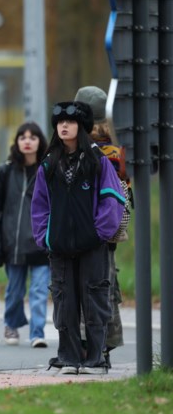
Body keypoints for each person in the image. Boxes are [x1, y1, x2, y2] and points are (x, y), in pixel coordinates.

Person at [31, 101, 125, 375]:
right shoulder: (48, 165)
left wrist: (100, 233)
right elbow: (39, 206)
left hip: (93, 246)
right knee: (64, 303)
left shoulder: (98, 161)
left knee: (95, 301)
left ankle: (95, 359)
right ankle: (70, 358)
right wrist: (45, 238)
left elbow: (113, 198)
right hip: (59, 248)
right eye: (59, 122)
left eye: (69, 122)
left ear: (80, 127)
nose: (63, 126)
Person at [0, 122, 50, 348]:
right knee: (15, 291)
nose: (27, 141)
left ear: (40, 142)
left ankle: (37, 333)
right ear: (17, 142)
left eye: (33, 137)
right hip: (14, 246)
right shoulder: (5, 172)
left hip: (41, 245)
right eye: (22, 137)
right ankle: (11, 323)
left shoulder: (47, 171)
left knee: (39, 291)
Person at [74, 86, 129, 367]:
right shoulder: (120, 147)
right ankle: (104, 346)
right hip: (110, 231)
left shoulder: (83, 149)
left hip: (84, 228)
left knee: (85, 287)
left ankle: (88, 348)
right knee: (105, 286)